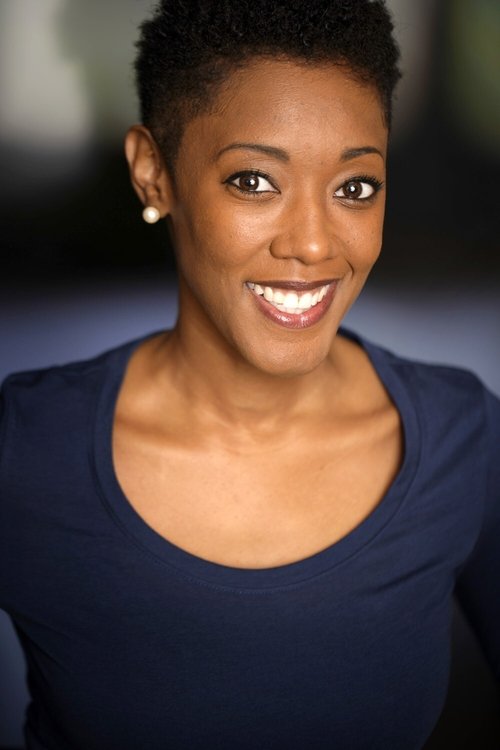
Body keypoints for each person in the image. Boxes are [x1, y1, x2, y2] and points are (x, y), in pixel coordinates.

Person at [0, 1, 499, 748]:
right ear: (153, 174)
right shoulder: (27, 450)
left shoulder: (465, 439)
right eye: (255, 181)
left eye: (355, 187)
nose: (313, 245)